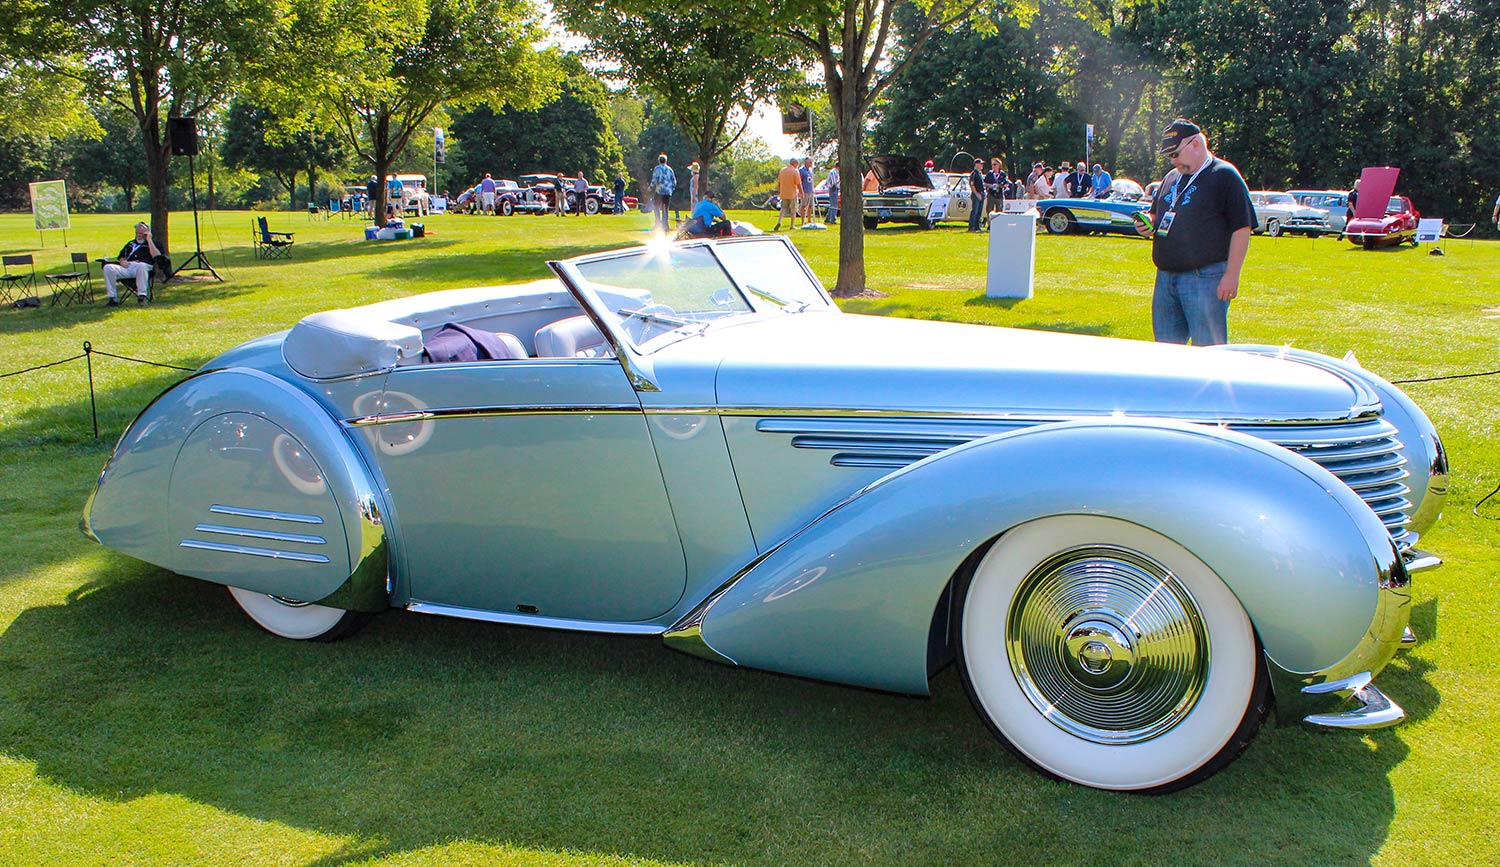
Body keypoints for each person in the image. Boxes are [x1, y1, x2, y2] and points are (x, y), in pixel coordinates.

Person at [1136, 118, 1255, 346]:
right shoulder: (1171, 178)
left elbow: (1242, 228)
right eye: (1170, 156)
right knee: (1166, 351)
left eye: (1176, 154)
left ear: (1196, 144)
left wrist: (1232, 276)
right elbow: (1157, 215)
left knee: (1207, 351)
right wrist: (1147, 224)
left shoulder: (1224, 175)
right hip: (1165, 277)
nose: (1174, 161)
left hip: (1205, 278)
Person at [103, 221, 161, 306]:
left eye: (141, 233)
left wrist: (149, 240)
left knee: (142, 266)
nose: (138, 235)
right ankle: (112, 298)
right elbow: (121, 256)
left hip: (143, 267)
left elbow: (157, 256)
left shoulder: (152, 244)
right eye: (137, 233)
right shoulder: (130, 244)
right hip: (128, 266)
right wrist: (122, 261)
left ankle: (141, 296)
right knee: (108, 267)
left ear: (147, 233)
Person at [773, 157, 801, 231]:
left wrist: (780, 191)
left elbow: (779, 182)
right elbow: (798, 183)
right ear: (795, 163)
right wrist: (802, 192)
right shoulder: (795, 171)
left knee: (783, 208)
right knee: (793, 209)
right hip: (792, 193)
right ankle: (792, 225)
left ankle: (779, 221)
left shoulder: (782, 170)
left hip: (784, 193)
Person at [649, 154, 676, 232]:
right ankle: (665, 225)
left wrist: (651, 187)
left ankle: (657, 223)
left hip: (660, 191)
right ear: (666, 161)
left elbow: (655, 179)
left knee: (656, 207)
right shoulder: (670, 169)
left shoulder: (657, 168)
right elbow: (674, 181)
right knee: (666, 208)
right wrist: (672, 189)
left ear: (659, 161)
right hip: (668, 192)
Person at [986, 158, 1008, 223]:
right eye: (992, 165)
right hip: (991, 194)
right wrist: (990, 185)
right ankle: (990, 225)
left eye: (995, 164)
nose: (993, 166)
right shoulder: (989, 173)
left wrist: (1001, 185)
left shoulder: (1002, 174)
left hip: (999, 194)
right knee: (990, 210)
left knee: (999, 210)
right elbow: (985, 182)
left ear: (999, 165)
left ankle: (999, 224)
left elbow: (1006, 183)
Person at [967, 159, 986, 233]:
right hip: (976, 194)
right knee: (975, 210)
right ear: (976, 164)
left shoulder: (980, 173)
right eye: (980, 164)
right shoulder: (974, 174)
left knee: (979, 211)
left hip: (981, 193)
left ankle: (977, 226)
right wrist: (976, 193)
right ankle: (971, 226)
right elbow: (972, 185)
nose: (982, 165)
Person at [800, 157, 816, 223]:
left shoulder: (810, 171)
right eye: (810, 162)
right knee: (803, 206)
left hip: (810, 191)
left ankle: (809, 219)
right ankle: (803, 220)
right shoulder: (801, 170)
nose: (811, 163)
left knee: (810, 206)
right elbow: (799, 181)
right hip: (805, 191)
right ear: (805, 162)